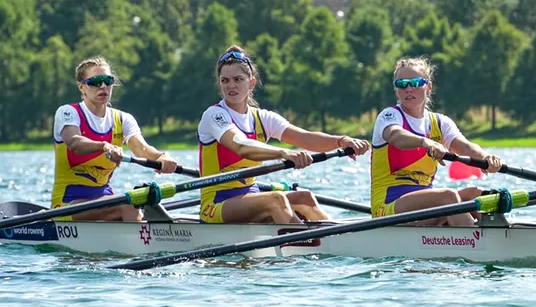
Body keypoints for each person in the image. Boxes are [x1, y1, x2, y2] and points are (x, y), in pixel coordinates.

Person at [198, 45, 369, 224]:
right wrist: (283, 153)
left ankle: (335, 241)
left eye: (238, 79)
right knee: (276, 199)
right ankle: (305, 245)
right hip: (216, 204)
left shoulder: (262, 118)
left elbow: (304, 138)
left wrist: (341, 141)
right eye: (224, 80)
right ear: (219, 84)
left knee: (304, 197)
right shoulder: (214, 115)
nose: (231, 85)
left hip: (250, 195)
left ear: (251, 83)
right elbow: (241, 146)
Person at [370, 56, 504, 227]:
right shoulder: (389, 116)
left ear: (429, 87)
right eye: (402, 84)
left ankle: (487, 233)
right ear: (396, 90)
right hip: (388, 205)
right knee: (448, 197)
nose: (408, 88)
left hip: (423, 203)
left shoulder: (440, 123)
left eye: (416, 83)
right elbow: (396, 136)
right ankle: (477, 241)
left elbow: (464, 146)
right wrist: (426, 142)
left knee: (477, 195)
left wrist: (486, 157)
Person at [52, 56, 178, 221]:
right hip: (66, 206)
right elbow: (74, 143)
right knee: (129, 205)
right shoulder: (68, 112)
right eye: (95, 81)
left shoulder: (123, 119)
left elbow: (141, 149)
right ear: (81, 87)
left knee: (136, 202)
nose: (103, 86)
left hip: (104, 200)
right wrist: (105, 146)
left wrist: (162, 156)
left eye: (107, 80)